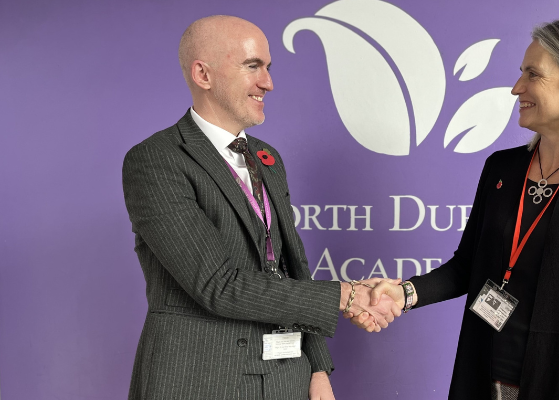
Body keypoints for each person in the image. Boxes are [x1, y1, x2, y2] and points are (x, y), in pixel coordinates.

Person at [353, 20, 559, 400]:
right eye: (521, 74)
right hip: (486, 375)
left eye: (533, 75)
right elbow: (466, 266)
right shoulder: (502, 168)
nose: (518, 88)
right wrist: (404, 294)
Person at [121, 15, 399, 400]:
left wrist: (317, 366)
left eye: (268, 68)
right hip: (198, 379)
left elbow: (292, 267)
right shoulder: (156, 160)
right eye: (253, 66)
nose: (268, 82)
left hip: (285, 378)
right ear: (203, 74)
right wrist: (346, 294)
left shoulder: (267, 157)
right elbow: (217, 285)